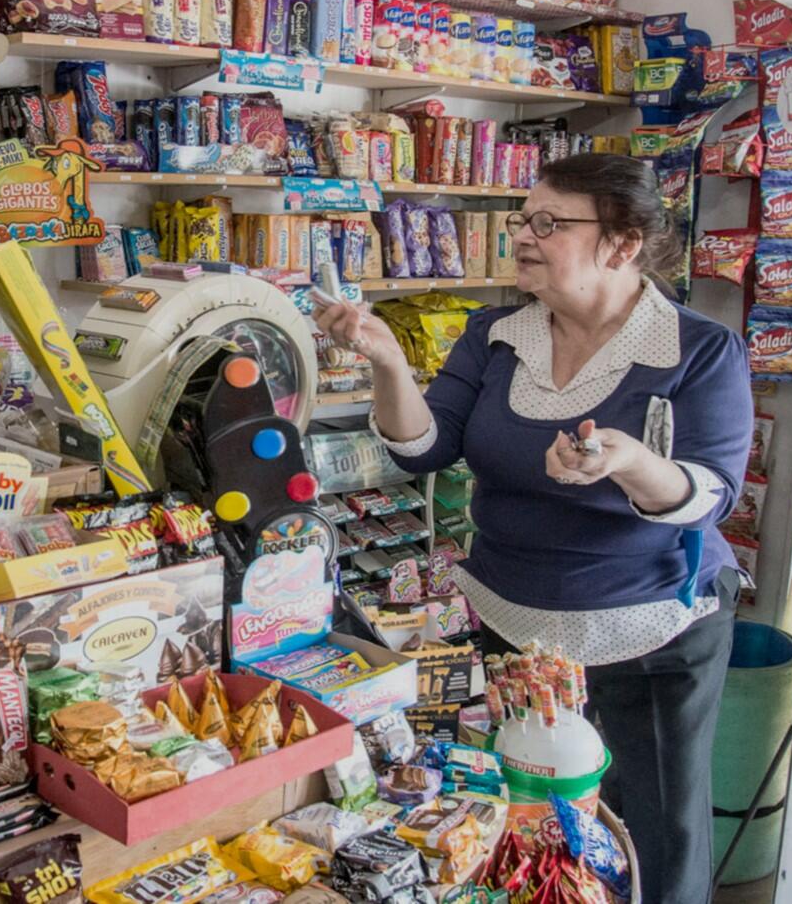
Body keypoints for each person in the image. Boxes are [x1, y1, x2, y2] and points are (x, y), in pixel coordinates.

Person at [314, 156, 752, 904]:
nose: (523, 236)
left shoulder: (697, 347)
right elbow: (425, 445)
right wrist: (388, 361)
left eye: (549, 223)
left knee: (658, 828)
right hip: (518, 628)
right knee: (528, 820)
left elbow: (710, 491)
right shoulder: (496, 333)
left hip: (650, 630)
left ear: (622, 242)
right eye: (523, 219)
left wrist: (629, 460)